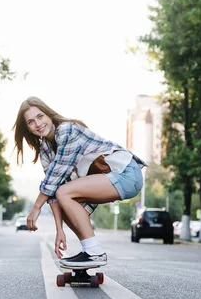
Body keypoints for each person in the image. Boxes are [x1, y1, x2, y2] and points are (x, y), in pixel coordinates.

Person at [13, 96, 147, 267]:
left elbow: (55, 178)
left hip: (126, 173)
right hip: (108, 178)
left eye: (40, 117)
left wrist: (36, 208)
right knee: (63, 200)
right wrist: (59, 230)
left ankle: (94, 253)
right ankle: (90, 251)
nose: (38, 124)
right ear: (28, 129)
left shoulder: (67, 130)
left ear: (49, 115)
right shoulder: (45, 150)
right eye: (31, 122)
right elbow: (53, 192)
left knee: (64, 192)